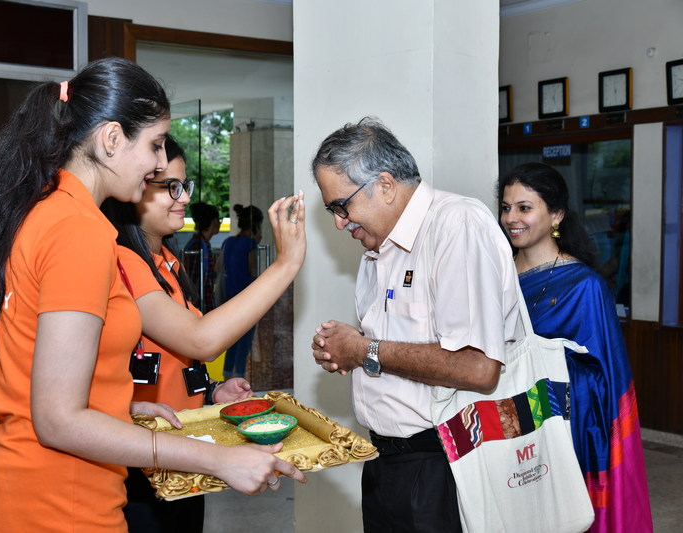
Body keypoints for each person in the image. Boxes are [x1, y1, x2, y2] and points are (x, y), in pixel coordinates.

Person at [0, 57, 305, 533]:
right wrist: (216, 458)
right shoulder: (79, 232)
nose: (159, 163)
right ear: (112, 138)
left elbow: (0, 381)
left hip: (16, 495)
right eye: (155, 144)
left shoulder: (39, 213)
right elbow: (57, 420)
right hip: (64, 510)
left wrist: (118, 406)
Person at [310, 117, 522, 532]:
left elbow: (477, 367)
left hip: (445, 465)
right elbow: (398, 348)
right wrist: (350, 351)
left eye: (341, 206)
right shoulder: (378, 248)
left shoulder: (456, 225)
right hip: (387, 462)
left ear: (385, 186)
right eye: (332, 210)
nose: (339, 222)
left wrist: (363, 350)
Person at [101, 136, 307, 532]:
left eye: (184, 185)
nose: (183, 198)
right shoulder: (123, 261)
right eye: (169, 186)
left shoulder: (168, 262)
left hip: (181, 454)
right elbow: (200, 339)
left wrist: (211, 391)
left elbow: (176, 357)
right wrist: (285, 264)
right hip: (141, 461)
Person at [498, 162, 652, 533]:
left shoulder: (584, 287)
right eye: (505, 207)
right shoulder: (494, 275)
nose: (511, 218)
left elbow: (605, 380)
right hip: (502, 422)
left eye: (524, 207)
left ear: (556, 215)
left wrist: (543, 368)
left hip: (563, 431)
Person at [220, 203, 265, 379]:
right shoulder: (250, 243)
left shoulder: (229, 242)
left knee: (232, 341)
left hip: (230, 298)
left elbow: (218, 267)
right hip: (246, 300)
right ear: (257, 224)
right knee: (244, 342)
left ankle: (226, 376)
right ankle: (240, 377)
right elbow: (253, 270)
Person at [183, 201, 221, 313]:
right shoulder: (198, 246)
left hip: (204, 306)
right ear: (214, 221)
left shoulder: (201, 244)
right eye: (219, 220)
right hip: (200, 308)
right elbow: (192, 279)